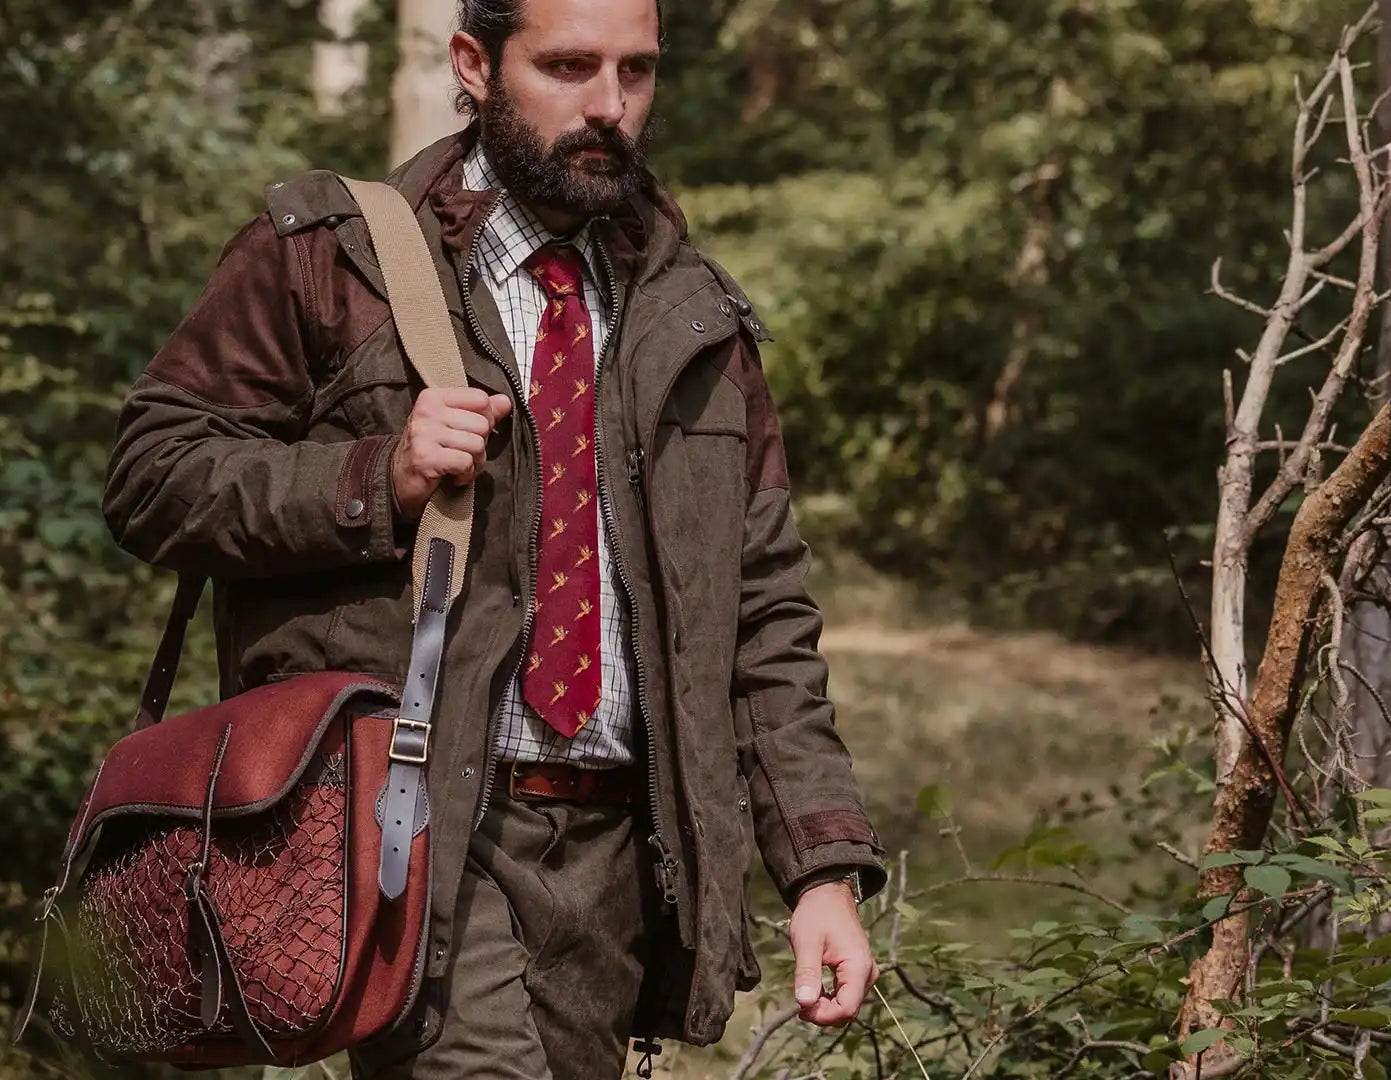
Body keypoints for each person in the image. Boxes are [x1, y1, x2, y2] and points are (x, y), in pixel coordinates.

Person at [101, 0, 884, 1074]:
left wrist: (821, 871)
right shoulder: (333, 258)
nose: (609, 106)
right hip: (415, 831)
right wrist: (379, 476)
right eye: (567, 66)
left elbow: (763, 612)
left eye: (636, 72)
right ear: (474, 64)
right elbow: (152, 473)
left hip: (616, 862)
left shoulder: (694, 315)